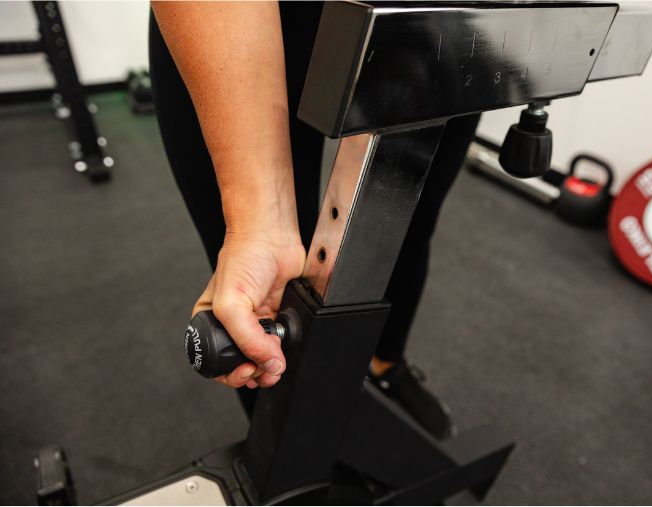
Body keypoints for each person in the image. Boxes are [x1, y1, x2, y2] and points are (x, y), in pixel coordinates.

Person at [149, 2, 479, 440]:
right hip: (250, 22)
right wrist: (259, 222)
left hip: (437, 20)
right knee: (263, 277)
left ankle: (385, 365)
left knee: (406, 227)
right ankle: (297, 452)